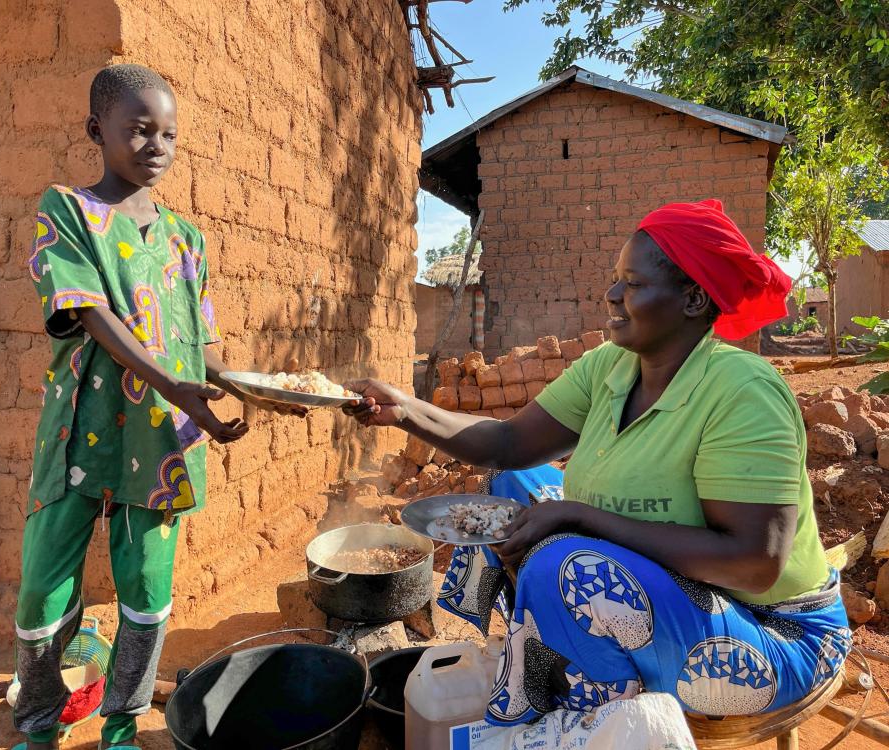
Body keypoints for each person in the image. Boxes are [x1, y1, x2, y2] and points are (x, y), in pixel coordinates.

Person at [345, 199, 849, 725]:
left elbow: (753, 563)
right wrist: (401, 409)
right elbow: (507, 443)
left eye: (631, 283)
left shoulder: (742, 392)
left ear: (694, 299)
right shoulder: (612, 365)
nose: (610, 294)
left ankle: (578, 696)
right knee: (512, 483)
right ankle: (553, 647)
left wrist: (583, 517)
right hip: (664, 594)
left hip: (769, 634)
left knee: (564, 565)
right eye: (616, 279)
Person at [13, 64, 303, 750]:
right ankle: (35, 724)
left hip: (162, 440)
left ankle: (121, 720)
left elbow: (202, 347)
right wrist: (173, 385)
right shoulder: (67, 211)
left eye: (168, 134)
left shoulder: (186, 238)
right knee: (43, 588)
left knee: (147, 586)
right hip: (80, 432)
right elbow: (89, 313)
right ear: (97, 131)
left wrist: (257, 387)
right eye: (139, 129)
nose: (156, 145)